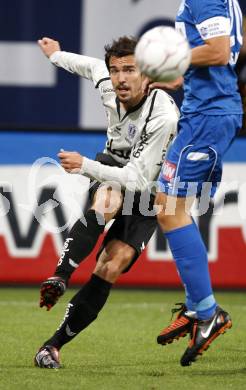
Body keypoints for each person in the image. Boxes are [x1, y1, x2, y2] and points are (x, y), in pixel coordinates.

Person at [34, 36, 179, 368]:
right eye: (116, 70)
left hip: (151, 186)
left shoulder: (163, 115)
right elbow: (86, 66)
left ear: (148, 74)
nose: (120, 78)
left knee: (111, 265)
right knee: (107, 199)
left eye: (130, 70)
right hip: (112, 166)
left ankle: (53, 346)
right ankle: (60, 275)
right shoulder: (108, 84)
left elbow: (139, 180)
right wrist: (55, 54)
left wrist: (83, 165)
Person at [148, 0, 243, 366]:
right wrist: (180, 75)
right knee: (172, 207)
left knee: (169, 209)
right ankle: (197, 306)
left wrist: (172, 59)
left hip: (209, 115)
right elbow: (233, 45)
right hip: (207, 110)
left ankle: (206, 311)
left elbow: (219, 52)